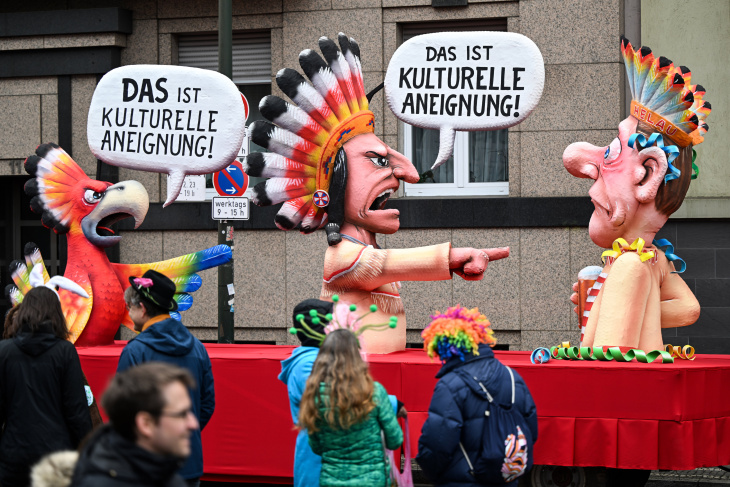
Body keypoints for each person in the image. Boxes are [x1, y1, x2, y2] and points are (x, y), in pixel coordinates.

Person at [245, 33, 510, 353]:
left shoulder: (363, 246)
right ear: (337, 181)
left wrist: (455, 264)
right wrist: (454, 257)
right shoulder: (342, 256)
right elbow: (382, 264)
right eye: (379, 161)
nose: (408, 174)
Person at [564, 37, 707, 351]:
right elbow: (688, 308)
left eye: (612, 153)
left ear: (648, 176)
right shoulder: (653, 258)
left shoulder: (630, 264)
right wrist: (621, 305)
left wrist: (617, 303)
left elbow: (607, 363)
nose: (583, 163)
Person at [417, 306, 538, 486]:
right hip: (506, 478)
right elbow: (530, 430)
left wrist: (434, 474)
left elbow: (438, 441)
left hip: (463, 479)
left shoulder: (450, 384)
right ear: (480, 338)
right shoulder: (512, 377)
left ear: (443, 347)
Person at [117, 270, 215, 487]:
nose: (129, 314)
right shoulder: (198, 348)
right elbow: (207, 404)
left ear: (142, 308)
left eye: (129, 308)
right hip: (187, 463)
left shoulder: (135, 351)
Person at [0, 287, 93, 487]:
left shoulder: (4, 352)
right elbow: (77, 411)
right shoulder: (65, 352)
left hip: (13, 452)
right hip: (56, 454)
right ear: (57, 314)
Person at [298, 328, 403, 486]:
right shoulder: (374, 392)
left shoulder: (315, 396)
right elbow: (395, 440)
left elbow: (316, 447)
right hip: (372, 481)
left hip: (331, 480)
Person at [70, 362, 198, 486]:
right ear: (146, 424)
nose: (194, 424)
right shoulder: (95, 482)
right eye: (182, 414)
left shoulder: (169, 477)